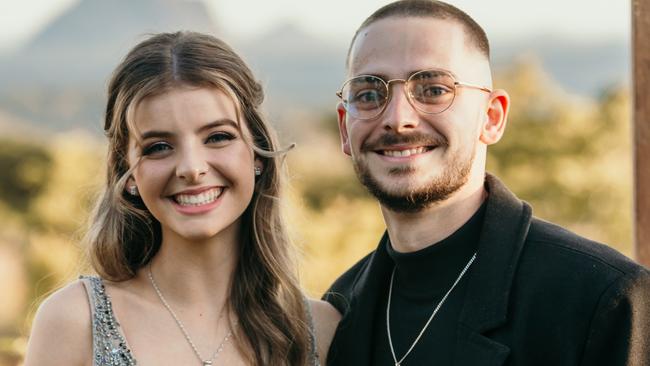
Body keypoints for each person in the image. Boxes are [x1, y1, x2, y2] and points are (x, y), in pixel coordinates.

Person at [323, 1, 650, 365]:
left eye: (433, 89)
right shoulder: (340, 308)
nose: (398, 119)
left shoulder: (604, 298)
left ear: (492, 117)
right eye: (369, 94)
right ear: (344, 130)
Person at [24, 31, 340, 366]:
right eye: (159, 147)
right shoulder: (74, 322)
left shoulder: (318, 330)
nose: (191, 168)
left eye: (218, 137)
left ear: (257, 155)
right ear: (127, 173)